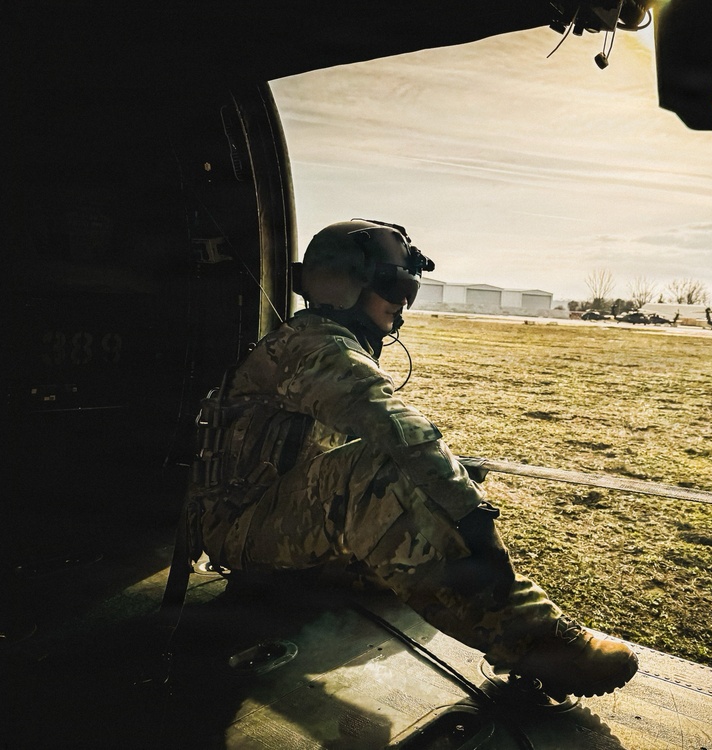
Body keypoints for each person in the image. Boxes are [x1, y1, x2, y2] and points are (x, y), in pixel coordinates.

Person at [187, 219, 638, 700]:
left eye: (410, 289)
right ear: (344, 285)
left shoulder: (318, 339)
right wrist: (471, 514)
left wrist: (456, 485)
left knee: (427, 511)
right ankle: (538, 641)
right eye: (395, 286)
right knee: (387, 472)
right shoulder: (313, 347)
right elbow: (393, 426)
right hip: (240, 528)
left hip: (268, 513)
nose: (403, 302)